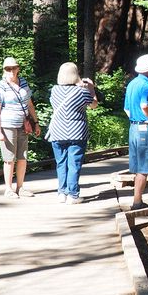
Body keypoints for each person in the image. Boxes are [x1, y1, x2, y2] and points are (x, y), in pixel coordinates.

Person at [45, 63, 97, 204]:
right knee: (74, 163)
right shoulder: (82, 92)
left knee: (61, 163)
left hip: (57, 132)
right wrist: (90, 88)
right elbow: (93, 105)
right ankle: (73, 195)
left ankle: (62, 193)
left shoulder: (54, 90)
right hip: (77, 133)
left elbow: (53, 104)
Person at [0, 57, 40, 198]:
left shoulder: (23, 82)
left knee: (22, 157)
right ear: (4, 70)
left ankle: (20, 187)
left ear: (18, 68)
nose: (11, 71)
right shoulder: (0, 87)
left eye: (14, 68)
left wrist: (35, 122)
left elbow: (30, 104)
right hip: (7, 125)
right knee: (9, 158)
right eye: (8, 68)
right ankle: (8, 189)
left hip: (23, 125)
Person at [123, 54, 148, 210]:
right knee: (143, 168)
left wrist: (135, 119)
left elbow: (126, 109)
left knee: (138, 166)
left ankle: (137, 199)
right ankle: (137, 202)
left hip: (134, 128)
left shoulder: (132, 83)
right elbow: (144, 105)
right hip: (145, 130)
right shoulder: (146, 85)